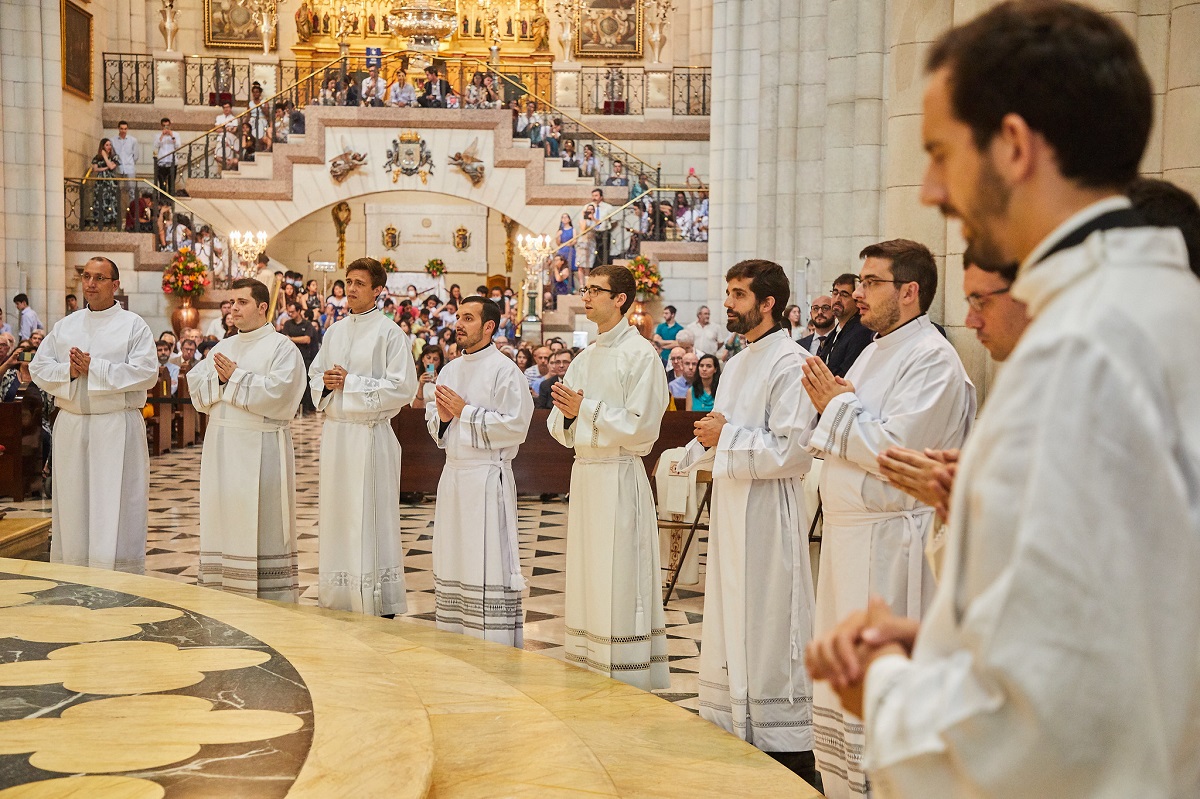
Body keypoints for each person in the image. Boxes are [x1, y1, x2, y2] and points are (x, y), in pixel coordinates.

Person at [808, 6, 1200, 797]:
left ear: (1016, 147)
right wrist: (948, 641)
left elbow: (1038, 731)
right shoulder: (1163, 305)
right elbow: (1130, 624)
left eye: (942, 153)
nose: (930, 188)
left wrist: (882, 682)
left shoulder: (1079, 352)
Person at [799, 240, 976, 799]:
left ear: (909, 291)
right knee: (841, 688)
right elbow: (853, 429)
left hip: (890, 544)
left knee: (875, 677)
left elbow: (897, 453)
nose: (856, 292)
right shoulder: (876, 350)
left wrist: (839, 407)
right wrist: (843, 407)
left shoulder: (932, 357)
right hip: (850, 540)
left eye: (871, 282)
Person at [674, 259, 820, 787]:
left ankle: (783, 740)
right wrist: (688, 452)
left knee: (768, 615)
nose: (729, 303)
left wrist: (723, 438)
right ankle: (732, 717)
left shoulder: (792, 363)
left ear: (768, 305)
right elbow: (725, 429)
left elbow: (792, 451)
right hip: (733, 503)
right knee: (731, 610)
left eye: (738, 295)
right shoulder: (737, 363)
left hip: (768, 509)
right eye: (729, 292)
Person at [548, 265, 669, 690]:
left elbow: (642, 427)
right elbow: (556, 424)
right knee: (587, 572)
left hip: (619, 477)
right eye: (585, 289)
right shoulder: (584, 358)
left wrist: (583, 409)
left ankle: (626, 672)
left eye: (595, 290)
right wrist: (568, 414)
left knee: (619, 574)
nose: (586, 297)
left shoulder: (642, 356)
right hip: (585, 476)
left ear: (621, 299)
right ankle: (589, 662)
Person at [29, 257, 158, 573]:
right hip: (72, 426)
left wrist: (95, 368)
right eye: (86, 276)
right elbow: (39, 367)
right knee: (73, 506)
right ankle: (73, 574)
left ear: (115, 285)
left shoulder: (133, 325)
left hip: (115, 426)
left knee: (113, 503)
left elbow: (147, 374)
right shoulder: (66, 326)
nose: (90, 283)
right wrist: (70, 371)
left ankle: (118, 577)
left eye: (99, 278)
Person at [188, 278, 307, 601]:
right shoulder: (223, 347)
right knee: (222, 516)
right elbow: (197, 389)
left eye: (242, 302)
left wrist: (234, 379)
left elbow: (280, 396)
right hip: (222, 448)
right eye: (231, 303)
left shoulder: (283, 348)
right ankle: (223, 587)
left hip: (262, 448)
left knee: (262, 523)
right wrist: (225, 380)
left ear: (262, 307)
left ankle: (269, 598)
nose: (233, 309)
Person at [310, 258, 417, 617]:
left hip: (370, 436)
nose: (351, 289)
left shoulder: (390, 333)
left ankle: (375, 597)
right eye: (348, 281)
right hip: (338, 435)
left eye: (359, 283)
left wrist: (350, 382)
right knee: (338, 513)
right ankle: (339, 594)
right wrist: (325, 383)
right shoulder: (335, 332)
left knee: (368, 513)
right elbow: (315, 375)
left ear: (377, 291)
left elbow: (403, 388)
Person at [427, 297, 534, 644]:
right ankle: (454, 634)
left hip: (487, 479)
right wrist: (442, 421)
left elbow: (516, 427)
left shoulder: (506, 371)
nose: (458, 323)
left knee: (485, 560)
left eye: (468, 318)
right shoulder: (449, 370)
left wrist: (465, 412)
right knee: (454, 555)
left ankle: (492, 642)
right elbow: (437, 427)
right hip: (454, 476)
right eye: (458, 316)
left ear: (489, 327)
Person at [820, 274, 875, 377]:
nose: (837, 299)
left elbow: (846, 375)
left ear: (857, 301)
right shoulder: (835, 332)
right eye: (835, 293)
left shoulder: (861, 332)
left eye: (844, 295)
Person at [281, 302, 318, 414]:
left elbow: (307, 339)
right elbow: (284, 339)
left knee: (305, 384)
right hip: (290, 359)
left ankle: (306, 408)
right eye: (289, 312)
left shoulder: (307, 325)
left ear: (298, 311)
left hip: (305, 357)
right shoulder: (287, 324)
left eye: (292, 312)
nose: (290, 314)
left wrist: (291, 339)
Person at [90, 138, 121, 228]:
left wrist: (105, 157)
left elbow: (111, 167)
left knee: (112, 199)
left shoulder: (115, 157)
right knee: (100, 199)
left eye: (110, 145)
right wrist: (105, 168)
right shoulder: (97, 157)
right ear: (102, 146)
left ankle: (112, 219)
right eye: (107, 145)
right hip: (101, 180)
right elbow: (95, 169)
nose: (109, 147)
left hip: (110, 181)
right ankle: (100, 219)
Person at [111, 120, 140, 212]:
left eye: (125, 129)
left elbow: (136, 155)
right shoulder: (113, 140)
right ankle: (116, 211)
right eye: (121, 129)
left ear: (127, 129)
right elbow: (112, 154)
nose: (123, 131)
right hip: (118, 168)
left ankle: (133, 211)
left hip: (129, 168)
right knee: (116, 189)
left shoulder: (133, 140)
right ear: (118, 129)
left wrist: (130, 163)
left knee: (132, 190)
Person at [152, 117, 181, 195]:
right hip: (161, 162)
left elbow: (178, 146)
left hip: (172, 163)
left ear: (170, 125)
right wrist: (162, 136)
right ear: (162, 126)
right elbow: (155, 145)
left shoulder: (176, 134)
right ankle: (162, 202)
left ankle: (170, 203)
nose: (166, 128)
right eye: (164, 126)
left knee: (171, 184)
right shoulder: (158, 135)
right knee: (162, 185)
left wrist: (172, 136)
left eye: (167, 126)